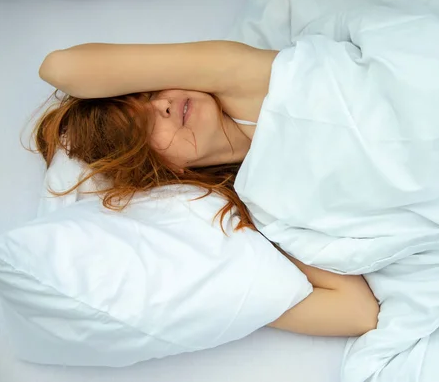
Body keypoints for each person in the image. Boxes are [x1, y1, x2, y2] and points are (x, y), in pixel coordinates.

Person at [35, 40, 380, 338]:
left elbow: (59, 67)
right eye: (144, 125)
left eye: (150, 92)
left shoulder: (240, 76)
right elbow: (357, 310)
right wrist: (203, 301)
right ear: (163, 168)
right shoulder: (263, 207)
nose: (161, 106)